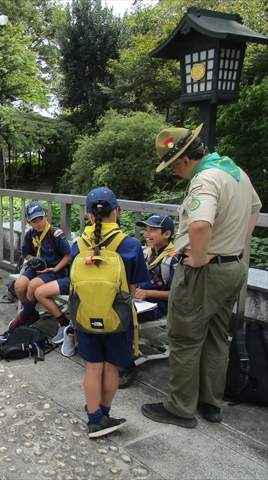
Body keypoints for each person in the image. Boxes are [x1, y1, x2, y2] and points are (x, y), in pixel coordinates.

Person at [142, 125, 261, 427]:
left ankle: (180, 407)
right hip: (233, 268)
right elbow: (255, 208)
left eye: (172, 166)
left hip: (205, 273)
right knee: (217, 335)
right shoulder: (234, 171)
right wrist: (234, 244)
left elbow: (199, 225)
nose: (174, 173)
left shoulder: (204, 179)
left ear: (183, 160)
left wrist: (197, 256)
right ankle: (211, 403)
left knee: (184, 336)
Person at [74, 187, 148, 438]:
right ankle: (104, 412)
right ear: (116, 212)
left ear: (88, 215)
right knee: (111, 368)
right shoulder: (131, 245)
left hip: (85, 316)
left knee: (92, 367)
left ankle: (94, 418)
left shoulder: (78, 245)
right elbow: (135, 288)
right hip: (118, 318)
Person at [119, 213, 179, 388]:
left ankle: (127, 365)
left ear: (166, 234)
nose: (147, 234)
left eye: (152, 230)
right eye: (146, 229)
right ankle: (115, 353)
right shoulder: (147, 252)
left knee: (124, 315)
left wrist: (147, 294)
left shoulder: (173, 258)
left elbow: (176, 293)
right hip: (139, 299)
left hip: (157, 304)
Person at [8, 202, 70, 338]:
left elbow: (68, 254)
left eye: (41, 219)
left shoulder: (55, 234)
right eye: (34, 221)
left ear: (46, 216)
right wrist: (33, 260)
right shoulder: (30, 235)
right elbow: (27, 253)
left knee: (33, 285)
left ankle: (24, 316)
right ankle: (31, 314)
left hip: (54, 270)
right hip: (37, 268)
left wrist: (55, 269)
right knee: (19, 285)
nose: (39, 223)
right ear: (29, 223)